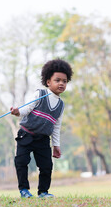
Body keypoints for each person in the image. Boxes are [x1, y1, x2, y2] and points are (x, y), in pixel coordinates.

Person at [10, 58, 73, 198]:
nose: (61, 83)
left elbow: (56, 127)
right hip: (26, 135)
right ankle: (24, 190)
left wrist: (56, 145)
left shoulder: (61, 105)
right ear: (48, 81)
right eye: (57, 80)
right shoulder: (40, 94)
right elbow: (27, 109)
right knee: (21, 162)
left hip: (43, 140)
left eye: (64, 81)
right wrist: (18, 112)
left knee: (46, 166)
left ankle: (43, 192)